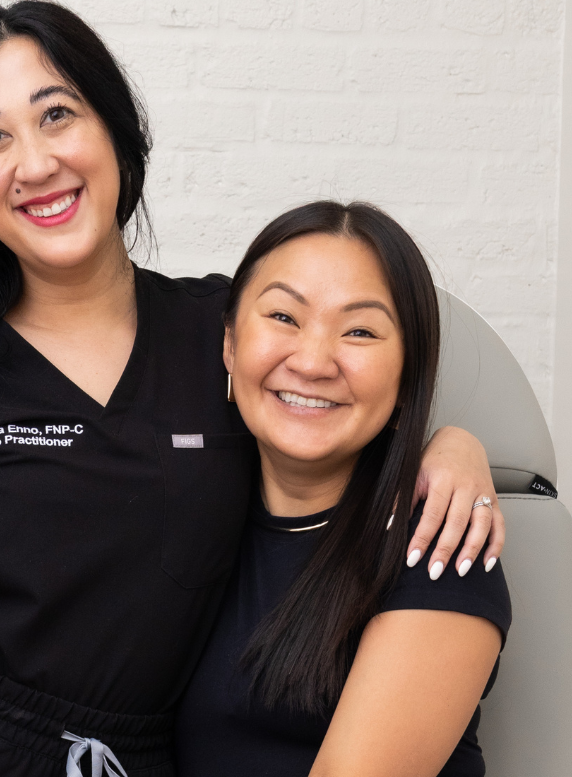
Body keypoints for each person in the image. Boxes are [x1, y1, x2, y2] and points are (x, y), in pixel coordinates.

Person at [0, 5, 504, 776]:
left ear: (114, 134)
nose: (34, 164)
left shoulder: (223, 336)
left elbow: (339, 392)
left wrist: (458, 447)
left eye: (57, 115)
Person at [173, 201, 509, 776]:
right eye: (283, 317)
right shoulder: (192, 517)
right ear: (230, 344)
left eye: (359, 330)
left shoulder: (440, 544)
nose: (312, 361)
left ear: (408, 378)